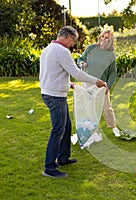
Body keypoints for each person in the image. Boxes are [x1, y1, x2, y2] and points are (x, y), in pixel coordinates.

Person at [39, 26, 107, 178]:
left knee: (66, 126)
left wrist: (67, 84)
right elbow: (76, 72)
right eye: (73, 41)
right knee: (58, 129)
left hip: (49, 93)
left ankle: (63, 158)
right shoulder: (62, 51)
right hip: (55, 96)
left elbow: (52, 72)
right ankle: (49, 167)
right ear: (68, 36)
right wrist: (97, 81)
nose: (73, 44)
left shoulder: (48, 49)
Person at [77, 29, 120, 137]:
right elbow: (81, 58)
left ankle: (114, 127)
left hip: (101, 84)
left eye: (106, 38)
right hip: (88, 83)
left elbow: (113, 73)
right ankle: (92, 129)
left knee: (107, 107)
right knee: (90, 108)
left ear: (110, 41)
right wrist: (81, 63)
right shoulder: (91, 48)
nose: (103, 39)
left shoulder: (110, 55)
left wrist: (108, 87)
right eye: (102, 36)